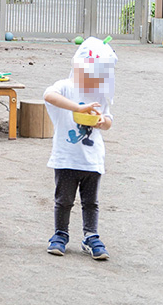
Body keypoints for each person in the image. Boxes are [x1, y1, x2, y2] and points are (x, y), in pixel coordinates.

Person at [42, 37, 116, 261]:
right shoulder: (66, 87)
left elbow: (109, 119)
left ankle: (90, 235)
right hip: (66, 158)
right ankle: (60, 234)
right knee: (64, 200)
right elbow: (48, 95)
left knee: (91, 202)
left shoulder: (100, 94)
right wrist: (78, 107)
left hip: (92, 159)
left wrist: (104, 122)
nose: (94, 78)